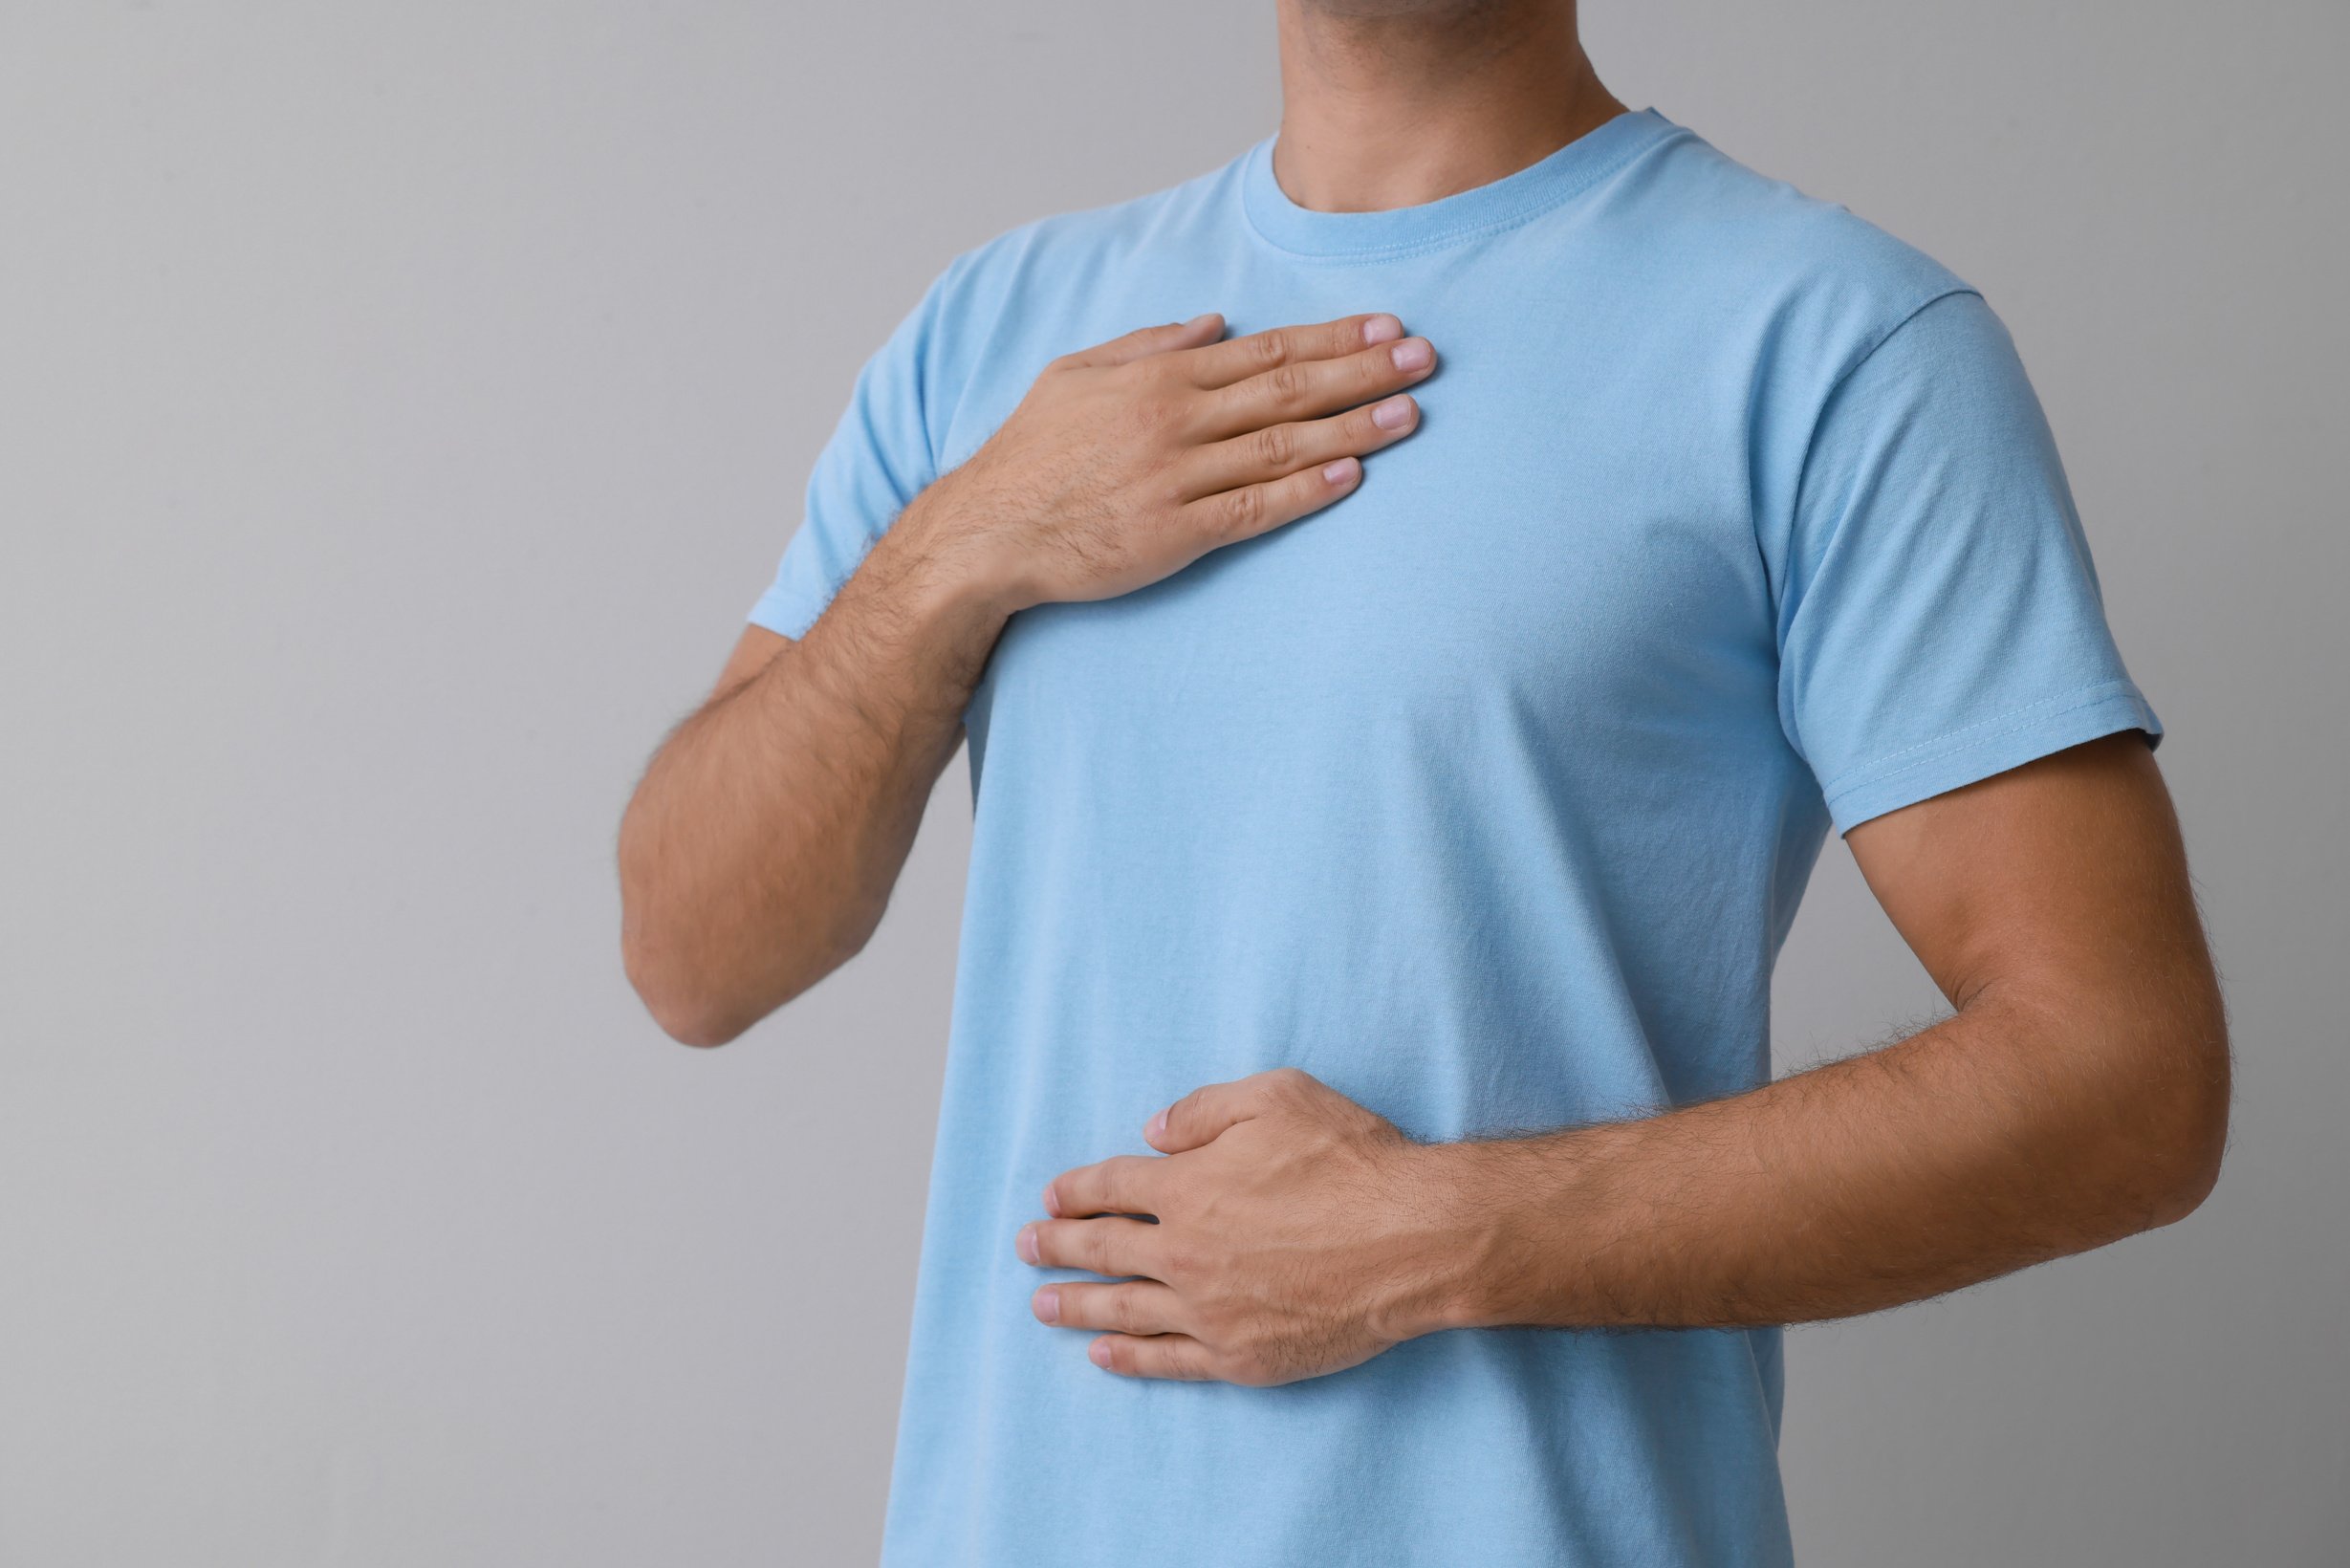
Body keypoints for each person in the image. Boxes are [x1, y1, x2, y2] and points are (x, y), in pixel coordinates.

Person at [616, 2, 2231, 1561]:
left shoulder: (1833, 344)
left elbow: (2122, 1087)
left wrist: (1435, 1234)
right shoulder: (997, 334)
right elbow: (694, 955)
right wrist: (962, 548)